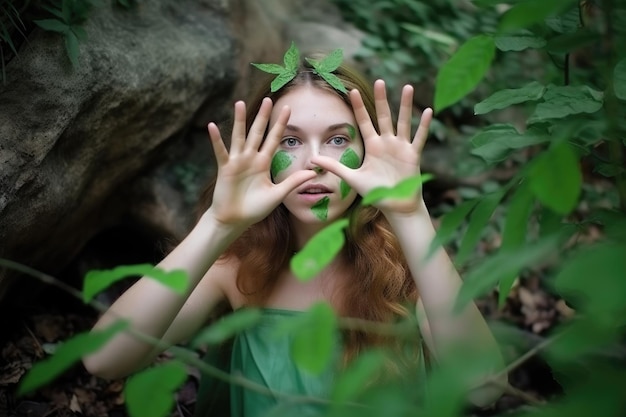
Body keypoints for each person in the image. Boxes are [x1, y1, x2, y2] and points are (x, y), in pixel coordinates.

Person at [82, 45, 506, 417]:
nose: (315, 162)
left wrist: (410, 216)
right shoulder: (238, 267)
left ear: (369, 150)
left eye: (339, 140)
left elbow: (484, 388)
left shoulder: (408, 265)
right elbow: (104, 360)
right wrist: (218, 225)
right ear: (260, 151)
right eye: (289, 141)